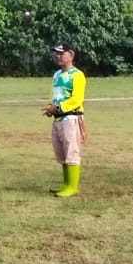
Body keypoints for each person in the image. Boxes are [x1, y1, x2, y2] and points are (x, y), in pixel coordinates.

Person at [44, 43, 86, 198]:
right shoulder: (56, 74)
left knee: (71, 151)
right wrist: (51, 109)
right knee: (61, 152)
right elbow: (57, 95)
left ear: (71, 55)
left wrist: (58, 108)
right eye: (57, 53)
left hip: (71, 117)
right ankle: (66, 184)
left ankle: (73, 187)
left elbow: (76, 99)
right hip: (58, 118)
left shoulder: (77, 75)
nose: (58, 56)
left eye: (62, 53)